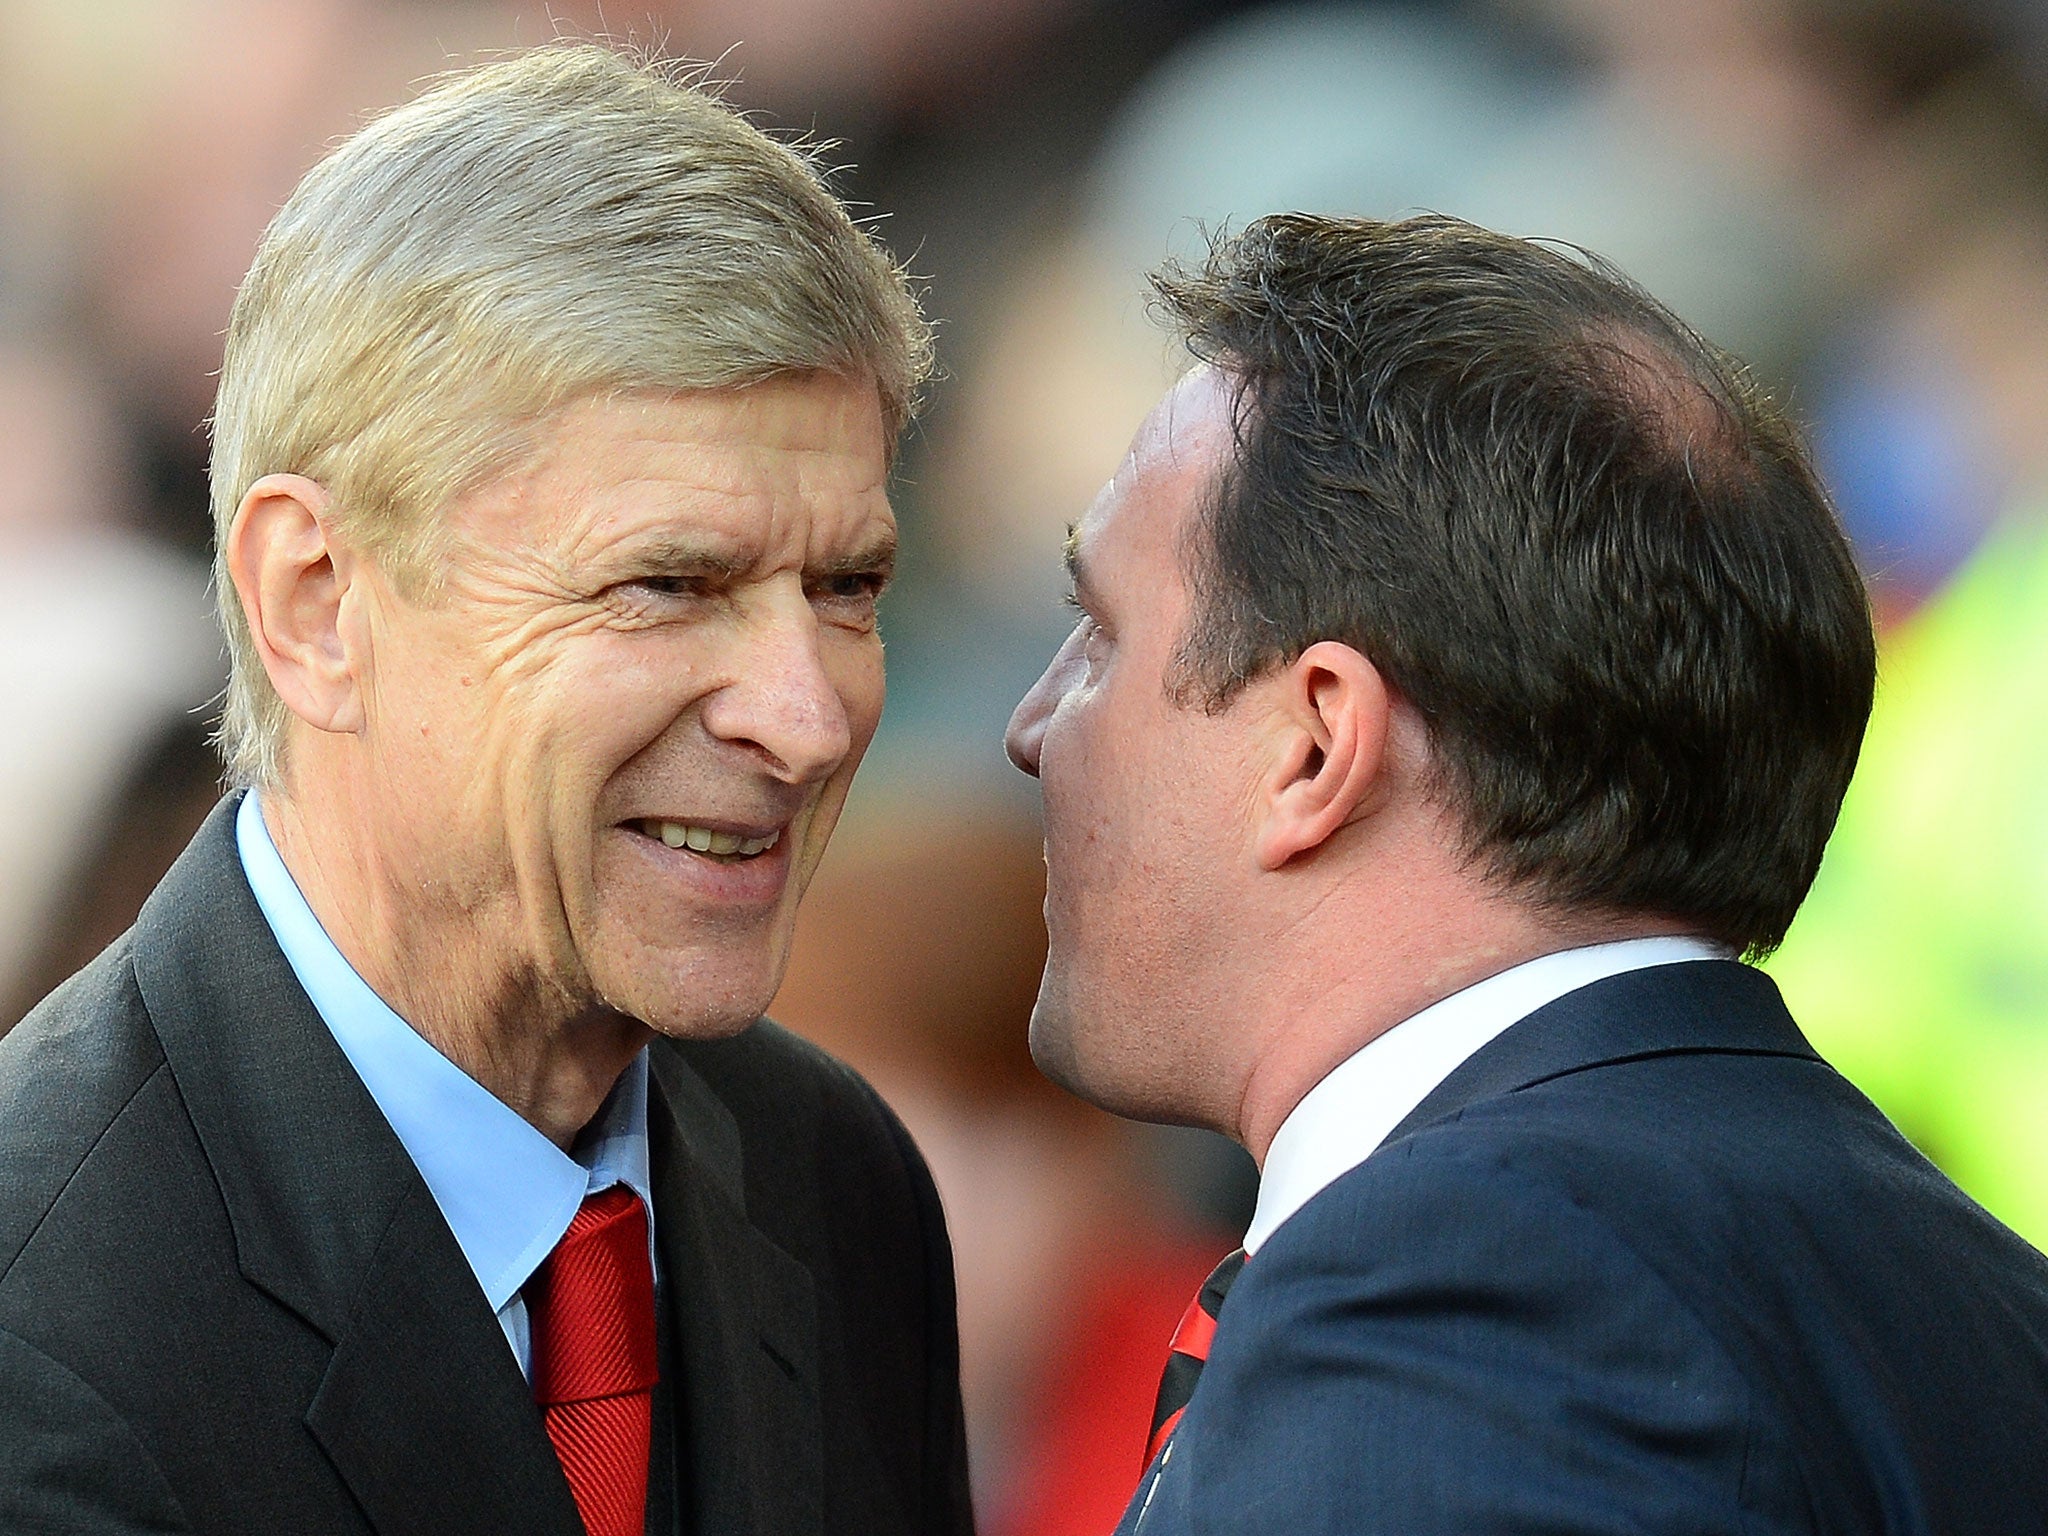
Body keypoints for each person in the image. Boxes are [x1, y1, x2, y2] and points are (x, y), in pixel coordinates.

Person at [0, 45, 974, 1536]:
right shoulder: (41, 1323)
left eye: (846, 585)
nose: (808, 716)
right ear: (315, 602)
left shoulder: (833, 1183)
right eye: (668, 584)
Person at [1004, 212, 2048, 1533]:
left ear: (1315, 745)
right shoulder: (1979, 1295)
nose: (1034, 728)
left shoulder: (1459, 1285)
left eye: (1100, 635)